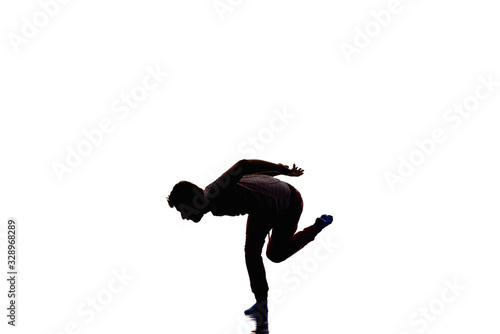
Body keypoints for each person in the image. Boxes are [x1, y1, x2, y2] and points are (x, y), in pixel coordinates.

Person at [166, 159, 333, 319]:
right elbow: (251, 178)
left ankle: (316, 227)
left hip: (289, 202)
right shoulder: (213, 196)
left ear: (191, 199)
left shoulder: (213, 193)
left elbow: (244, 165)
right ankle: (261, 304)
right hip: (262, 208)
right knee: (251, 253)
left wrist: (281, 169)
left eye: (182, 210)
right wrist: (276, 172)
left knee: (275, 255)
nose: (183, 217)